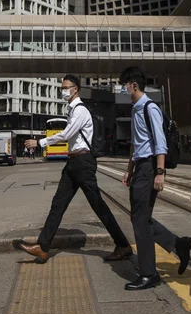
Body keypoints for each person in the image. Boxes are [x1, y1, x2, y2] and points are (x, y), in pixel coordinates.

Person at [17, 75, 133, 264]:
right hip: (74, 163)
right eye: (62, 88)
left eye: (66, 87)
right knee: (58, 203)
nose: (63, 91)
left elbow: (67, 133)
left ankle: (123, 245)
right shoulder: (72, 110)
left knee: (98, 206)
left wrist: (40, 142)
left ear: (75, 89)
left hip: (83, 163)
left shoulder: (80, 110)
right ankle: (43, 247)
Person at [118, 66, 191, 290]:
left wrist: (160, 173)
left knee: (140, 220)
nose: (123, 90)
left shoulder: (150, 108)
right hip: (140, 167)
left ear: (134, 85)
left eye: (124, 86)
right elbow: (136, 142)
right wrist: (129, 169)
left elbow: (159, 142)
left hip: (150, 166)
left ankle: (149, 274)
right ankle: (178, 244)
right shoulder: (135, 109)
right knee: (141, 217)